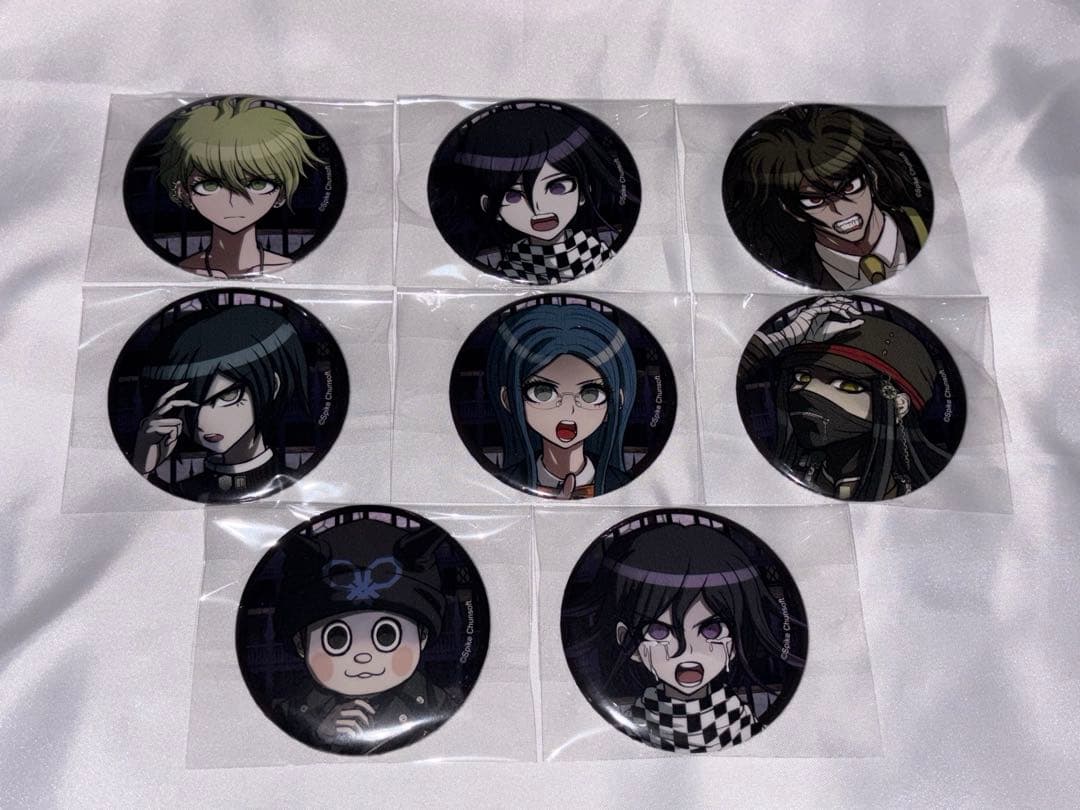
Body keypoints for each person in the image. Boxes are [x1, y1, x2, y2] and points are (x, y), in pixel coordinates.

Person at [569, 516, 804, 753]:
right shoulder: (634, 725)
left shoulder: (740, 721)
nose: (688, 652)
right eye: (660, 631)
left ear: (735, 640)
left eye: (711, 629)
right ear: (627, 640)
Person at [739, 296, 953, 500]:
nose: (807, 391)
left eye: (846, 385)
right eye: (801, 377)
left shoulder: (937, 491)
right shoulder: (763, 477)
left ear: (899, 405)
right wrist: (775, 344)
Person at [270, 517, 453, 754]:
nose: (363, 655)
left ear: (422, 637)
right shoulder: (290, 712)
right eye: (337, 639)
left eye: (386, 635)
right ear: (301, 644)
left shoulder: (436, 704)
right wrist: (318, 733)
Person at [723, 104, 932, 290]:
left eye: (849, 187)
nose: (841, 209)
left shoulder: (920, 227)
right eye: (815, 200)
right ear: (792, 209)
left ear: (872, 178)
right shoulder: (799, 270)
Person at [429, 101, 635, 283]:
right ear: (489, 205)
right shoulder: (509, 265)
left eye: (557, 187)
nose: (539, 207)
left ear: (583, 193)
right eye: (514, 196)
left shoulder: (597, 251)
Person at [132, 303, 307, 501]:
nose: (203, 420)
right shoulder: (182, 490)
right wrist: (142, 469)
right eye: (187, 403)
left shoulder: (300, 487)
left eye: (227, 396)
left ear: (273, 385)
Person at [157, 96, 325, 276]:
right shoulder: (180, 270)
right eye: (210, 185)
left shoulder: (289, 268)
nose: (233, 201)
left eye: (258, 184)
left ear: (282, 193)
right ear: (183, 193)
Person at [485, 303, 637, 498]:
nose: (568, 410)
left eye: (591, 394)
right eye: (543, 393)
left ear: (616, 402)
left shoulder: (624, 486)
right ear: (509, 400)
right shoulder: (499, 488)